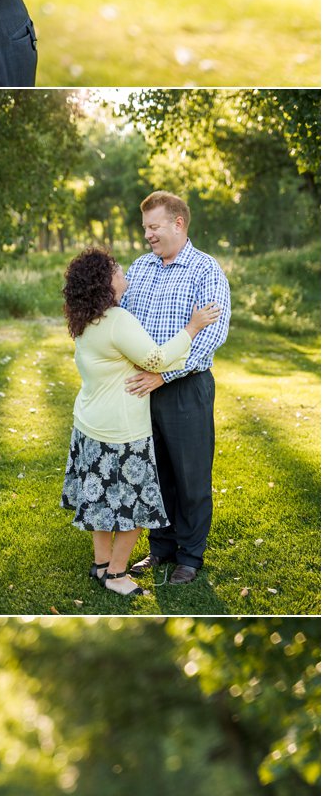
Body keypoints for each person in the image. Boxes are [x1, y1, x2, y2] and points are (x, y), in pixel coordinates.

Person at [59, 246, 222, 599]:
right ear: (105, 282)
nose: (124, 271)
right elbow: (158, 358)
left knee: (100, 503)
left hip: (89, 425)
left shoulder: (85, 317)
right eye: (116, 268)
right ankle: (117, 574)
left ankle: (101, 565)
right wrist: (193, 327)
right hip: (120, 431)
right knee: (136, 507)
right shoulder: (117, 320)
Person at [121, 191, 232, 584]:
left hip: (186, 389)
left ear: (178, 223)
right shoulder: (141, 267)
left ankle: (190, 555)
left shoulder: (206, 270)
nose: (148, 235)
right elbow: (124, 322)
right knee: (155, 472)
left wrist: (164, 375)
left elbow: (211, 335)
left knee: (191, 475)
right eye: (145, 228)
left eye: (154, 226)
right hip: (142, 389)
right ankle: (161, 547)